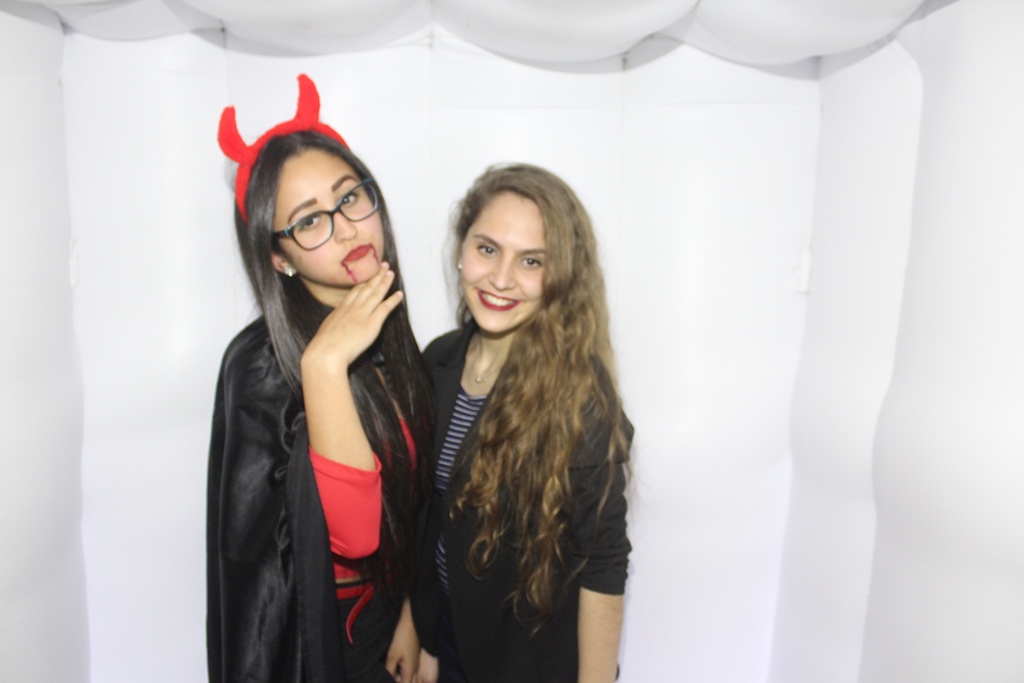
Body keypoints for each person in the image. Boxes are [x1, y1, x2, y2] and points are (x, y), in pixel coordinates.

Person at [207, 74, 433, 683]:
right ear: (278, 257)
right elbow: (356, 537)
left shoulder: (387, 322)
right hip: (320, 646)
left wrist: (413, 615)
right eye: (310, 222)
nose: (347, 227)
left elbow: (414, 502)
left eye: (350, 197)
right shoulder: (260, 365)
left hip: (388, 621)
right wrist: (325, 365)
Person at [412, 164, 632, 683]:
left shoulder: (580, 399)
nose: (501, 278)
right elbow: (427, 519)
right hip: (446, 642)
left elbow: (602, 564)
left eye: (531, 261)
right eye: (487, 249)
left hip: (525, 666)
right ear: (462, 250)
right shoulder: (438, 360)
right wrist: (420, 631)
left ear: (561, 278)